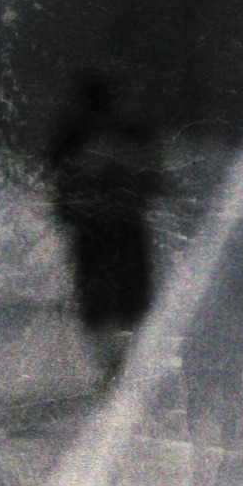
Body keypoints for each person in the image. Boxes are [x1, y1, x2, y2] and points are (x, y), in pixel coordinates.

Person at [46, 73, 163, 381]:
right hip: (121, 225)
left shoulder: (72, 137)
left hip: (97, 227)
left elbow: (58, 184)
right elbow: (154, 180)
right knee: (124, 298)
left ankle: (114, 367)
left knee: (104, 300)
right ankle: (120, 367)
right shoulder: (129, 135)